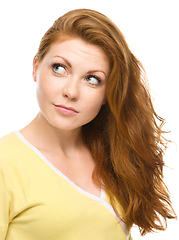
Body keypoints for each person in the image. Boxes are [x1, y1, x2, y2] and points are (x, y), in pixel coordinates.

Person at [0, 8, 177, 240]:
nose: (71, 92)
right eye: (59, 68)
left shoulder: (114, 155)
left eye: (92, 79)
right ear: (35, 67)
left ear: (107, 94)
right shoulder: (6, 164)